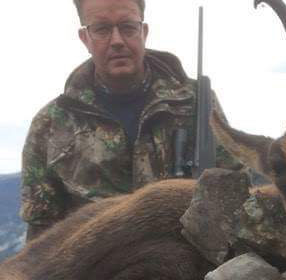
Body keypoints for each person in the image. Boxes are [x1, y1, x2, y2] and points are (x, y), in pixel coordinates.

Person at [21, 0, 237, 240]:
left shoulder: (198, 103)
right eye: (102, 29)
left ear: (143, 31)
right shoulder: (49, 125)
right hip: (96, 271)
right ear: (85, 37)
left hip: (195, 264)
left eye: (127, 27)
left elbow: (235, 187)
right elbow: (40, 235)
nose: (117, 41)